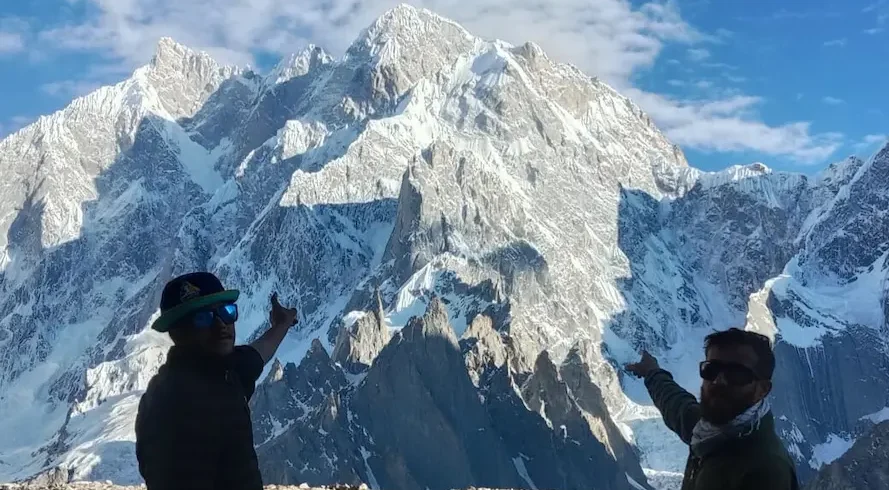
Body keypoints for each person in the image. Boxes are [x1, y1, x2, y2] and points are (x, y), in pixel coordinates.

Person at [135, 272, 298, 490]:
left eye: (227, 312)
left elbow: (255, 356)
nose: (221, 324)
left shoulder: (222, 370)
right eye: (204, 318)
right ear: (178, 332)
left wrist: (281, 324)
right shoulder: (171, 403)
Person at [626, 328, 799, 490]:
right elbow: (677, 407)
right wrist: (652, 373)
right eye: (711, 370)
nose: (718, 381)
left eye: (736, 374)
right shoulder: (710, 430)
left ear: (763, 389)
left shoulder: (767, 472)